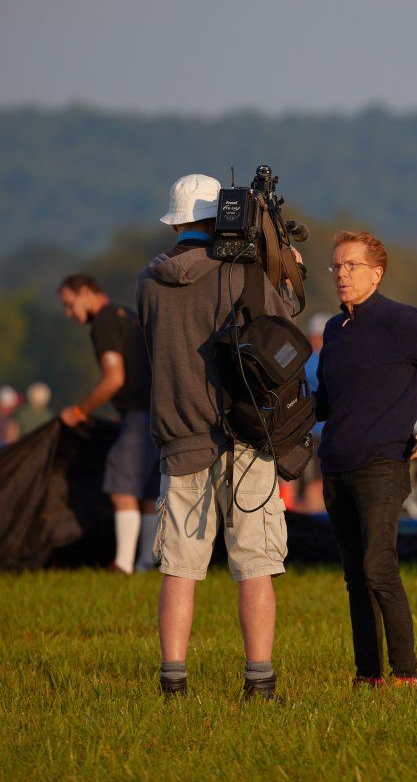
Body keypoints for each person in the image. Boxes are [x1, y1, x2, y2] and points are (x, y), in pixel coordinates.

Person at [136, 173, 293, 699]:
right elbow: (282, 328)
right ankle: (260, 681)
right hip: (245, 435)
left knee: (180, 567)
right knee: (255, 565)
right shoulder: (240, 276)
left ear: (178, 221)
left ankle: (173, 680)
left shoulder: (149, 280)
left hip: (179, 432)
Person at [314, 230, 417, 688]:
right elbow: (327, 403)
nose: (342, 274)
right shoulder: (333, 329)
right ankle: (367, 676)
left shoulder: (402, 321)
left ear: (377, 273)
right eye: (336, 266)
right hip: (335, 465)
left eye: (352, 266)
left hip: (382, 464)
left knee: (378, 568)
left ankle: (405, 674)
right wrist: (274, 408)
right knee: (354, 578)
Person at [58, 274, 159, 574]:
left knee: (121, 484)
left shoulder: (104, 321)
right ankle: (147, 563)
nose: (70, 314)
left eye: (70, 304)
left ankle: (125, 564)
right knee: (150, 491)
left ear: (87, 292)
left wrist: (79, 410)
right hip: (158, 410)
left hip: (140, 414)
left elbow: (114, 378)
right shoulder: (125, 314)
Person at [297, 311, 331, 513]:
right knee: (316, 481)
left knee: (307, 480)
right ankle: (315, 519)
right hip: (317, 431)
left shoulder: (301, 360)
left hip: (306, 430)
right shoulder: (321, 361)